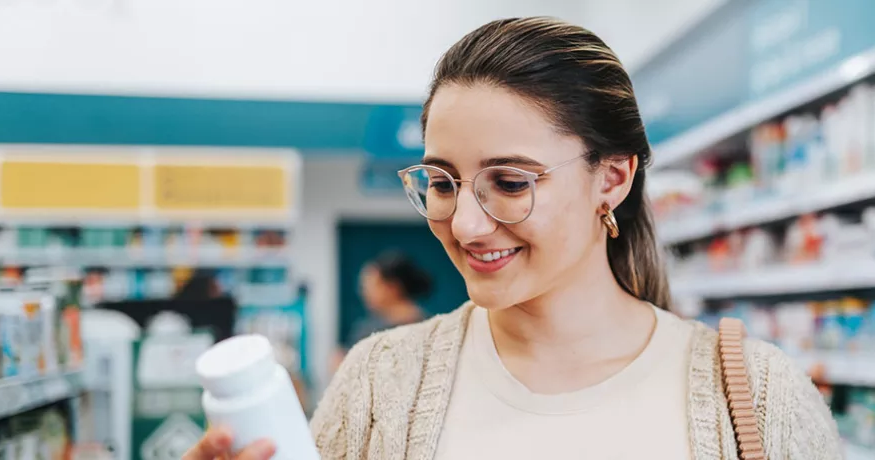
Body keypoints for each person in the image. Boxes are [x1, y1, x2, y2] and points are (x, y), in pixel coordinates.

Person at [184, 17, 841, 460]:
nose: (465, 224)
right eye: (442, 182)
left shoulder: (756, 400)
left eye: (508, 181)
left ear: (611, 178)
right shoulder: (380, 387)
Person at [345, 250, 430, 348]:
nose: (363, 293)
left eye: (370, 286)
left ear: (393, 287)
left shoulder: (369, 333)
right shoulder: (431, 324)